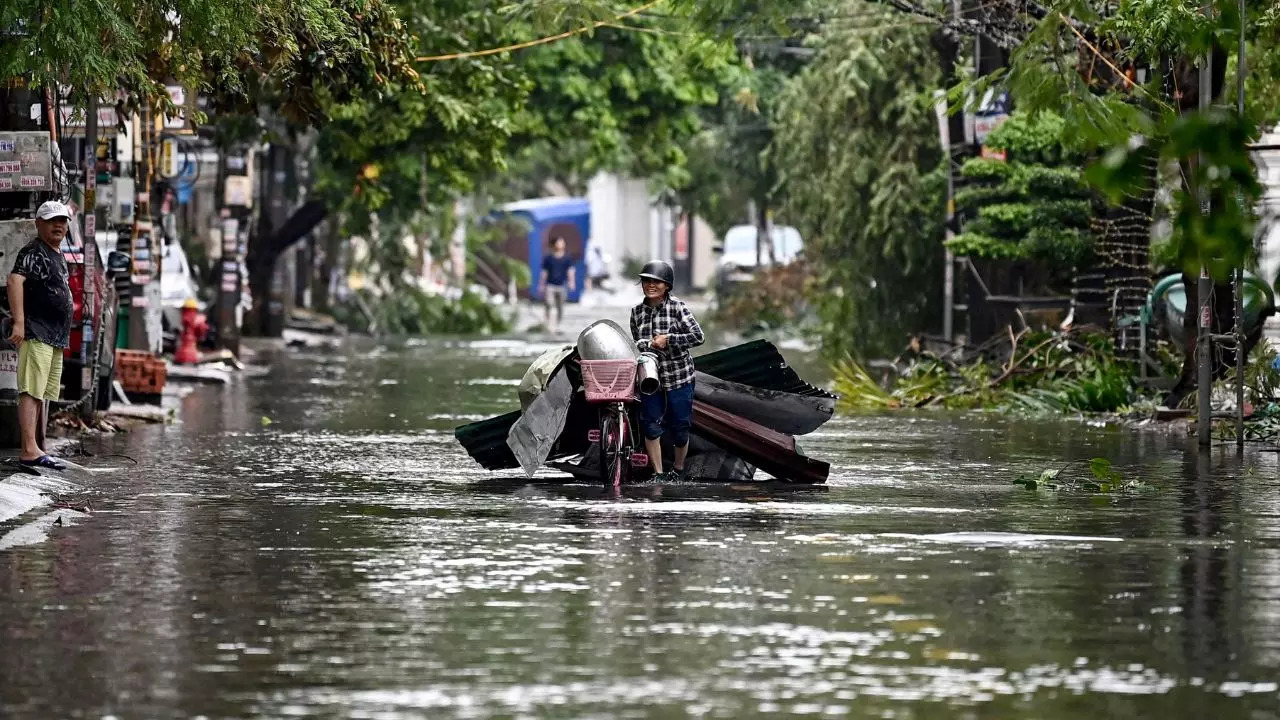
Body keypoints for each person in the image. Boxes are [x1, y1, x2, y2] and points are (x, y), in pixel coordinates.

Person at [6, 200, 75, 471]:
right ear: (39, 224)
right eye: (51, 220)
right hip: (37, 332)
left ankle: (37, 447)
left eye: (62, 220)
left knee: (41, 393)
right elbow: (14, 281)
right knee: (30, 391)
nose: (58, 225)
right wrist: (20, 323)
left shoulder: (54, 252)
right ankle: (28, 450)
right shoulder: (34, 251)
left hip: (53, 336)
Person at [629, 260, 704, 481]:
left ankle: (678, 470)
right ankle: (658, 474)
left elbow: (698, 336)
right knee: (650, 425)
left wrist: (669, 340)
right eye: (646, 281)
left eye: (656, 282)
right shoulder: (636, 312)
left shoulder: (678, 308)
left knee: (680, 427)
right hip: (649, 379)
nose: (650, 286)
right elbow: (636, 342)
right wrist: (648, 345)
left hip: (679, 376)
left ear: (667, 286)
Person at [538, 236, 576, 334]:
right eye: (559, 242)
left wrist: (571, 282)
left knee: (560, 307)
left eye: (562, 242)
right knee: (549, 305)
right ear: (554, 244)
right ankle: (548, 325)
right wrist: (542, 285)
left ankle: (558, 326)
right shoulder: (548, 258)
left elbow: (570, 271)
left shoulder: (567, 258)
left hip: (561, 285)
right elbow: (544, 272)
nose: (561, 244)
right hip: (550, 285)